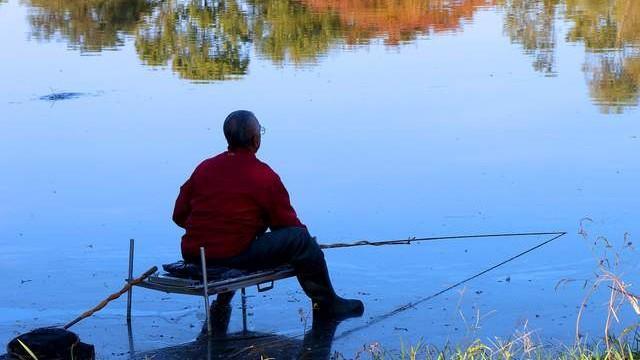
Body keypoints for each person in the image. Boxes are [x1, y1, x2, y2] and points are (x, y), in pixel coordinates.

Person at [173, 110, 364, 320]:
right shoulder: (263, 175)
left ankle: (222, 303)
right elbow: (286, 225)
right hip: (230, 256)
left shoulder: (204, 168)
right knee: (300, 240)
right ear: (255, 139)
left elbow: (179, 215)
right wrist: (310, 245)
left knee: (240, 237)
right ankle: (328, 305)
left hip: (193, 254)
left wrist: (214, 231)